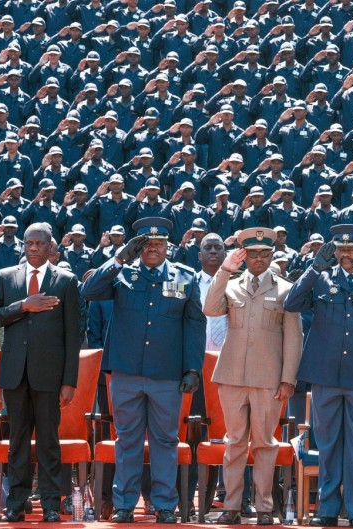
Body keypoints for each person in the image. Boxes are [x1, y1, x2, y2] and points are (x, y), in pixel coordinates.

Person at [80, 217, 205, 524]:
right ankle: (124, 504)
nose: (153, 249)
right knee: (128, 440)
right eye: (146, 244)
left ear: (168, 247)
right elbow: (88, 291)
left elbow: (194, 326)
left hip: (167, 374)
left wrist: (193, 369)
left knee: (165, 440)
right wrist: (121, 255)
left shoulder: (185, 277)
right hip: (126, 373)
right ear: (137, 247)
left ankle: (164, 504)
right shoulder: (122, 274)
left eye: (158, 244)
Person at [283, 224, 353, 528]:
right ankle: (328, 508)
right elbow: (291, 303)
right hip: (325, 376)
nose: (345, 254)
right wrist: (314, 266)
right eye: (340, 249)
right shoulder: (320, 280)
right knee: (329, 443)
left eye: (351, 249)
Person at [202, 227, 303, 525]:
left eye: (265, 253)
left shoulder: (286, 290)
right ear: (244, 256)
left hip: (269, 379)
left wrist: (288, 380)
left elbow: (293, 338)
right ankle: (231, 506)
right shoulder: (231, 285)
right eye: (253, 253)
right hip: (232, 376)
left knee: (264, 444)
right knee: (234, 442)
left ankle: (264, 508)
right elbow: (209, 308)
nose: (259, 259)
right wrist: (224, 269)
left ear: (272, 255)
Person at [0, 222, 81, 523]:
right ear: (23, 246)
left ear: (51, 246)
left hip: (50, 376)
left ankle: (51, 504)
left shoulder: (66, 280)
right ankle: (17, 504)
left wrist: (69, 381)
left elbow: (73, 336)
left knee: (49, 442)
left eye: (40, 243)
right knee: (18, 443)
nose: (34, 248)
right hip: (15, 374)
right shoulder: (5, 277)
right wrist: (24, 305)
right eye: (29, 243)